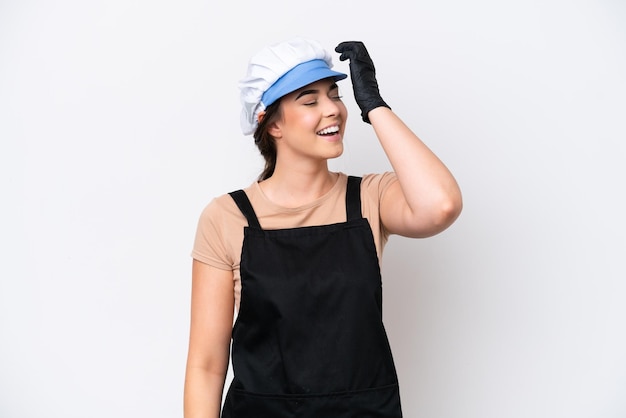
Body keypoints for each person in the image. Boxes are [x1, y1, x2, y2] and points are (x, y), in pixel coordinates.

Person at [184, 37, 462, 418]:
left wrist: (376, 107)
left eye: (335, 95)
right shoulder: (228, 217)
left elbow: (441, 205)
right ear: (272, 124)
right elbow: (206, 366)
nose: (332, 110)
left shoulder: (369, 198)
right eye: (310, 101)